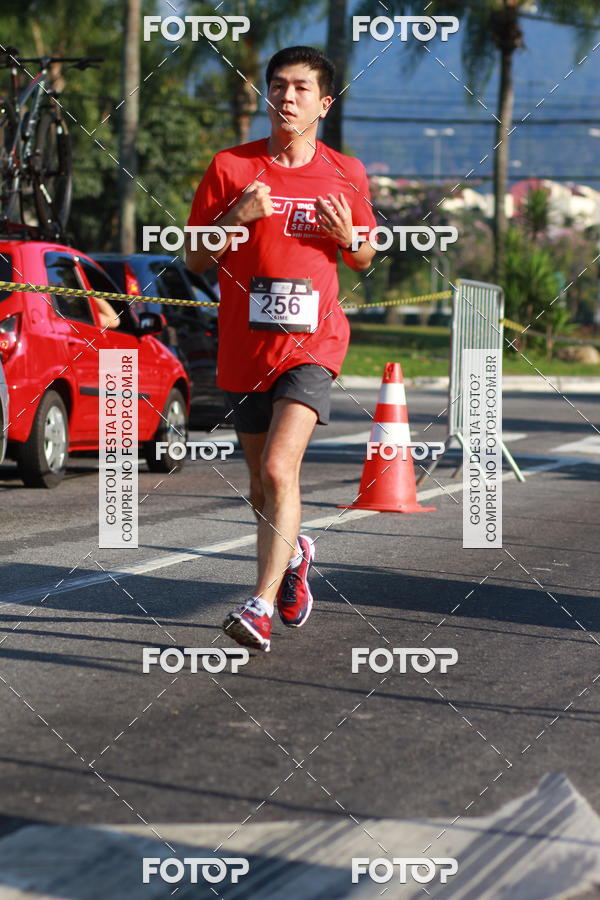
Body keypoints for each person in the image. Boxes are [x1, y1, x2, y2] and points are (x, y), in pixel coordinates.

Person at [185, 45, 376, 653]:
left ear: (324, 103)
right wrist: (236, 216)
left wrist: (350, 238)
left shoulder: (346, 171)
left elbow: (364, 255)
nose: (286, 97)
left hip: (312, 345)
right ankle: (295, 558)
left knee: (278, 468)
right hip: (245, 349)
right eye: (277, 86)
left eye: (299, 88)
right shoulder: (230, 167)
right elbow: (193, 256)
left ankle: (259, 604)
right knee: (261, 490)